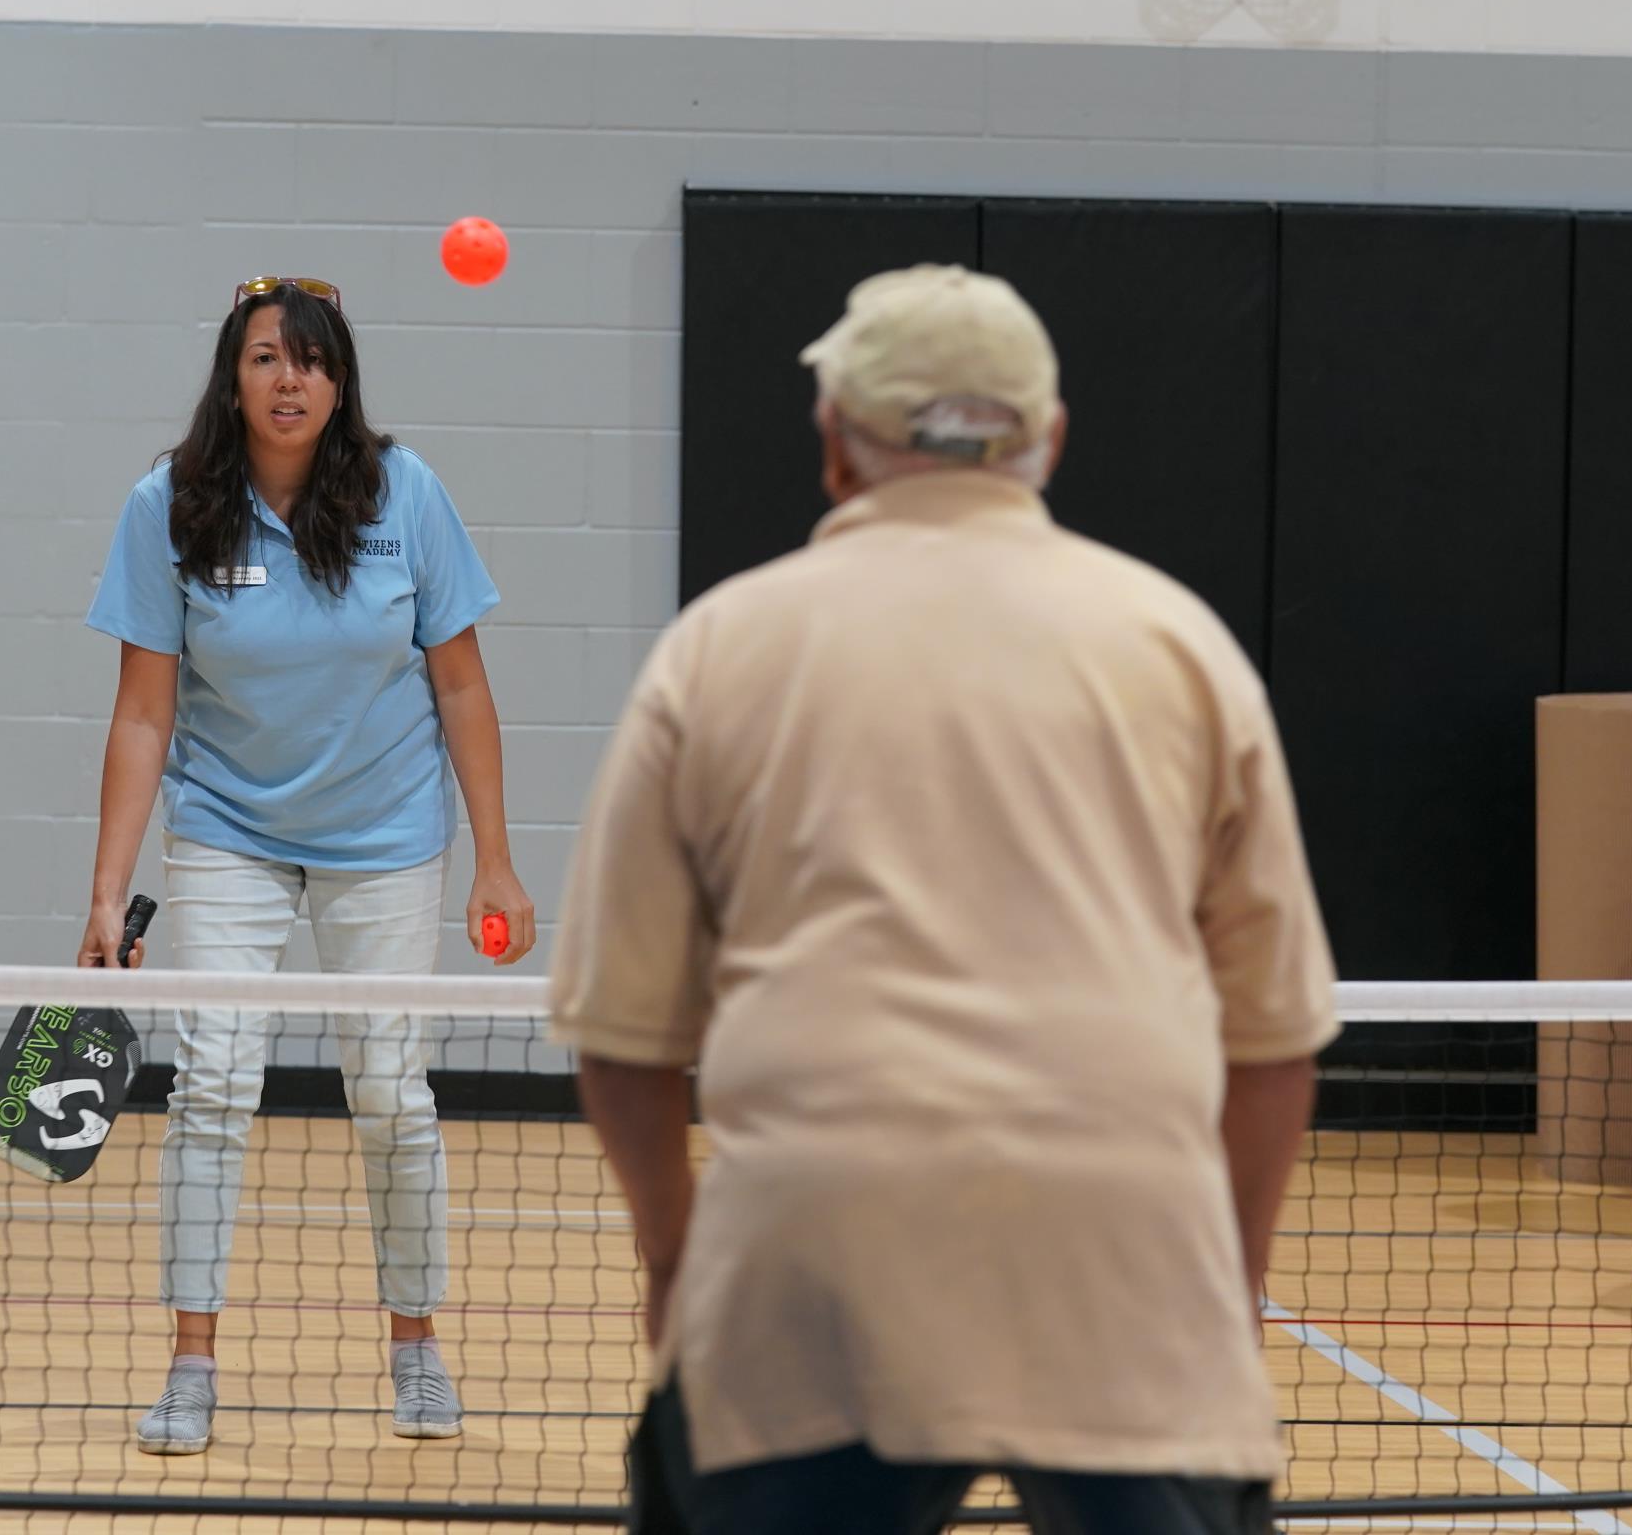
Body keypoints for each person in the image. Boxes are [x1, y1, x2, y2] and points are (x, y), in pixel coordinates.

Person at [548, 265, 1338, 1535]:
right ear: (1051, 438)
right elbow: (1276, 1036)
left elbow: (623, 1032)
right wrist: (1223, 1292)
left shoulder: (718, 647)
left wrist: (679, 1264)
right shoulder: (1182, 645)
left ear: (833, 446)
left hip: (812, 1243)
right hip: (1124, 1249)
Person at [82, 275, 538, 1457]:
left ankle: (417, 1345)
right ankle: (190, 1362)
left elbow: (462, 683)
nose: (291, 380)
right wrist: (105, 891)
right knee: (214, 1085)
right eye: (269, 358)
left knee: (391, 1093)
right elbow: (142, 714)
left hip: (385, 833)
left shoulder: (406, 493)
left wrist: (497, 860)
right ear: (232, 378)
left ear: (341, 382)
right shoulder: (171, 505)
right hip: (230, 825)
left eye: (314, 361)